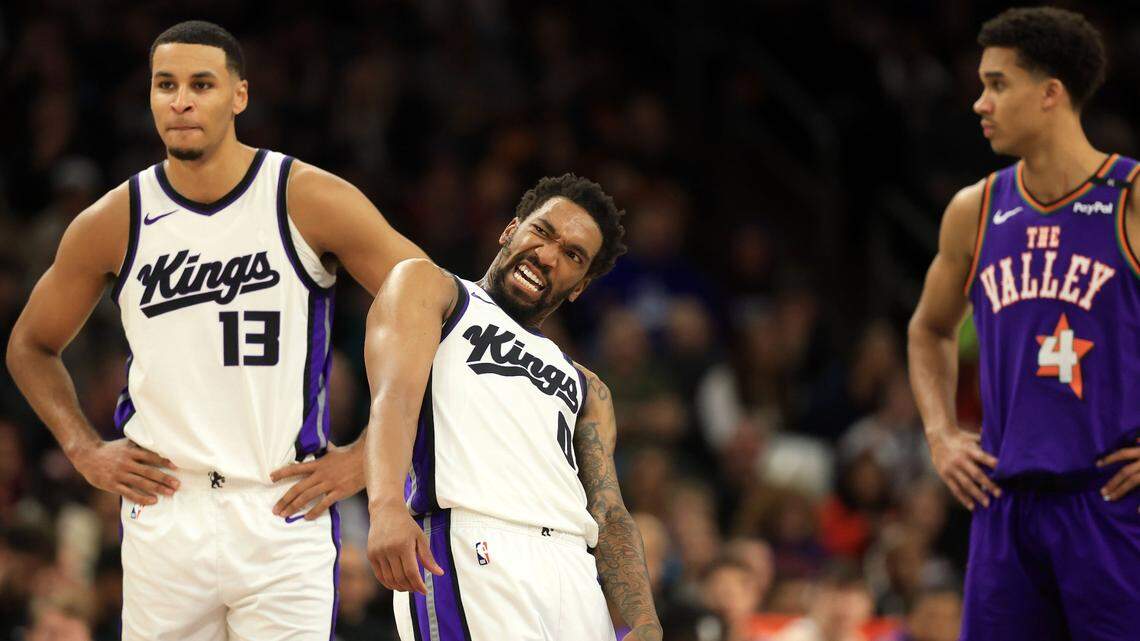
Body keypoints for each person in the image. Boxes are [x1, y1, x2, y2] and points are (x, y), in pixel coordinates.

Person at [5, 20, 426, 639]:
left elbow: (430, 305)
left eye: (201, 84)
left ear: (239, 95)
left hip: (282, 504)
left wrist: (368, 457)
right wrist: (83, 449)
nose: (181, 101)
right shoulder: (115, 218)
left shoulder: (306, 197)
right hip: (164, 508)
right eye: (166, 85)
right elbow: (29, 345)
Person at [908, 7, 1140, 640]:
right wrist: (941, 435)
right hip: (1004, 502)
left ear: (1050, 93)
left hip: (1112, 501)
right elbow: (928, 329)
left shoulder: (1129, 198)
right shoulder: (975, 209)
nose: (980, 103)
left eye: (997, 84)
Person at [362, 174, 662, 641]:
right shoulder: (436, 290)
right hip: (473, 543)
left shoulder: (589, 387)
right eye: (542, 232)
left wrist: (644, 620)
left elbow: (608, 512)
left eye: (572, 255)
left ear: (580, 286)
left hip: (574, 569)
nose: (547, 256)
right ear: (510, 229)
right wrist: (385, 507)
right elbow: (394, 399)